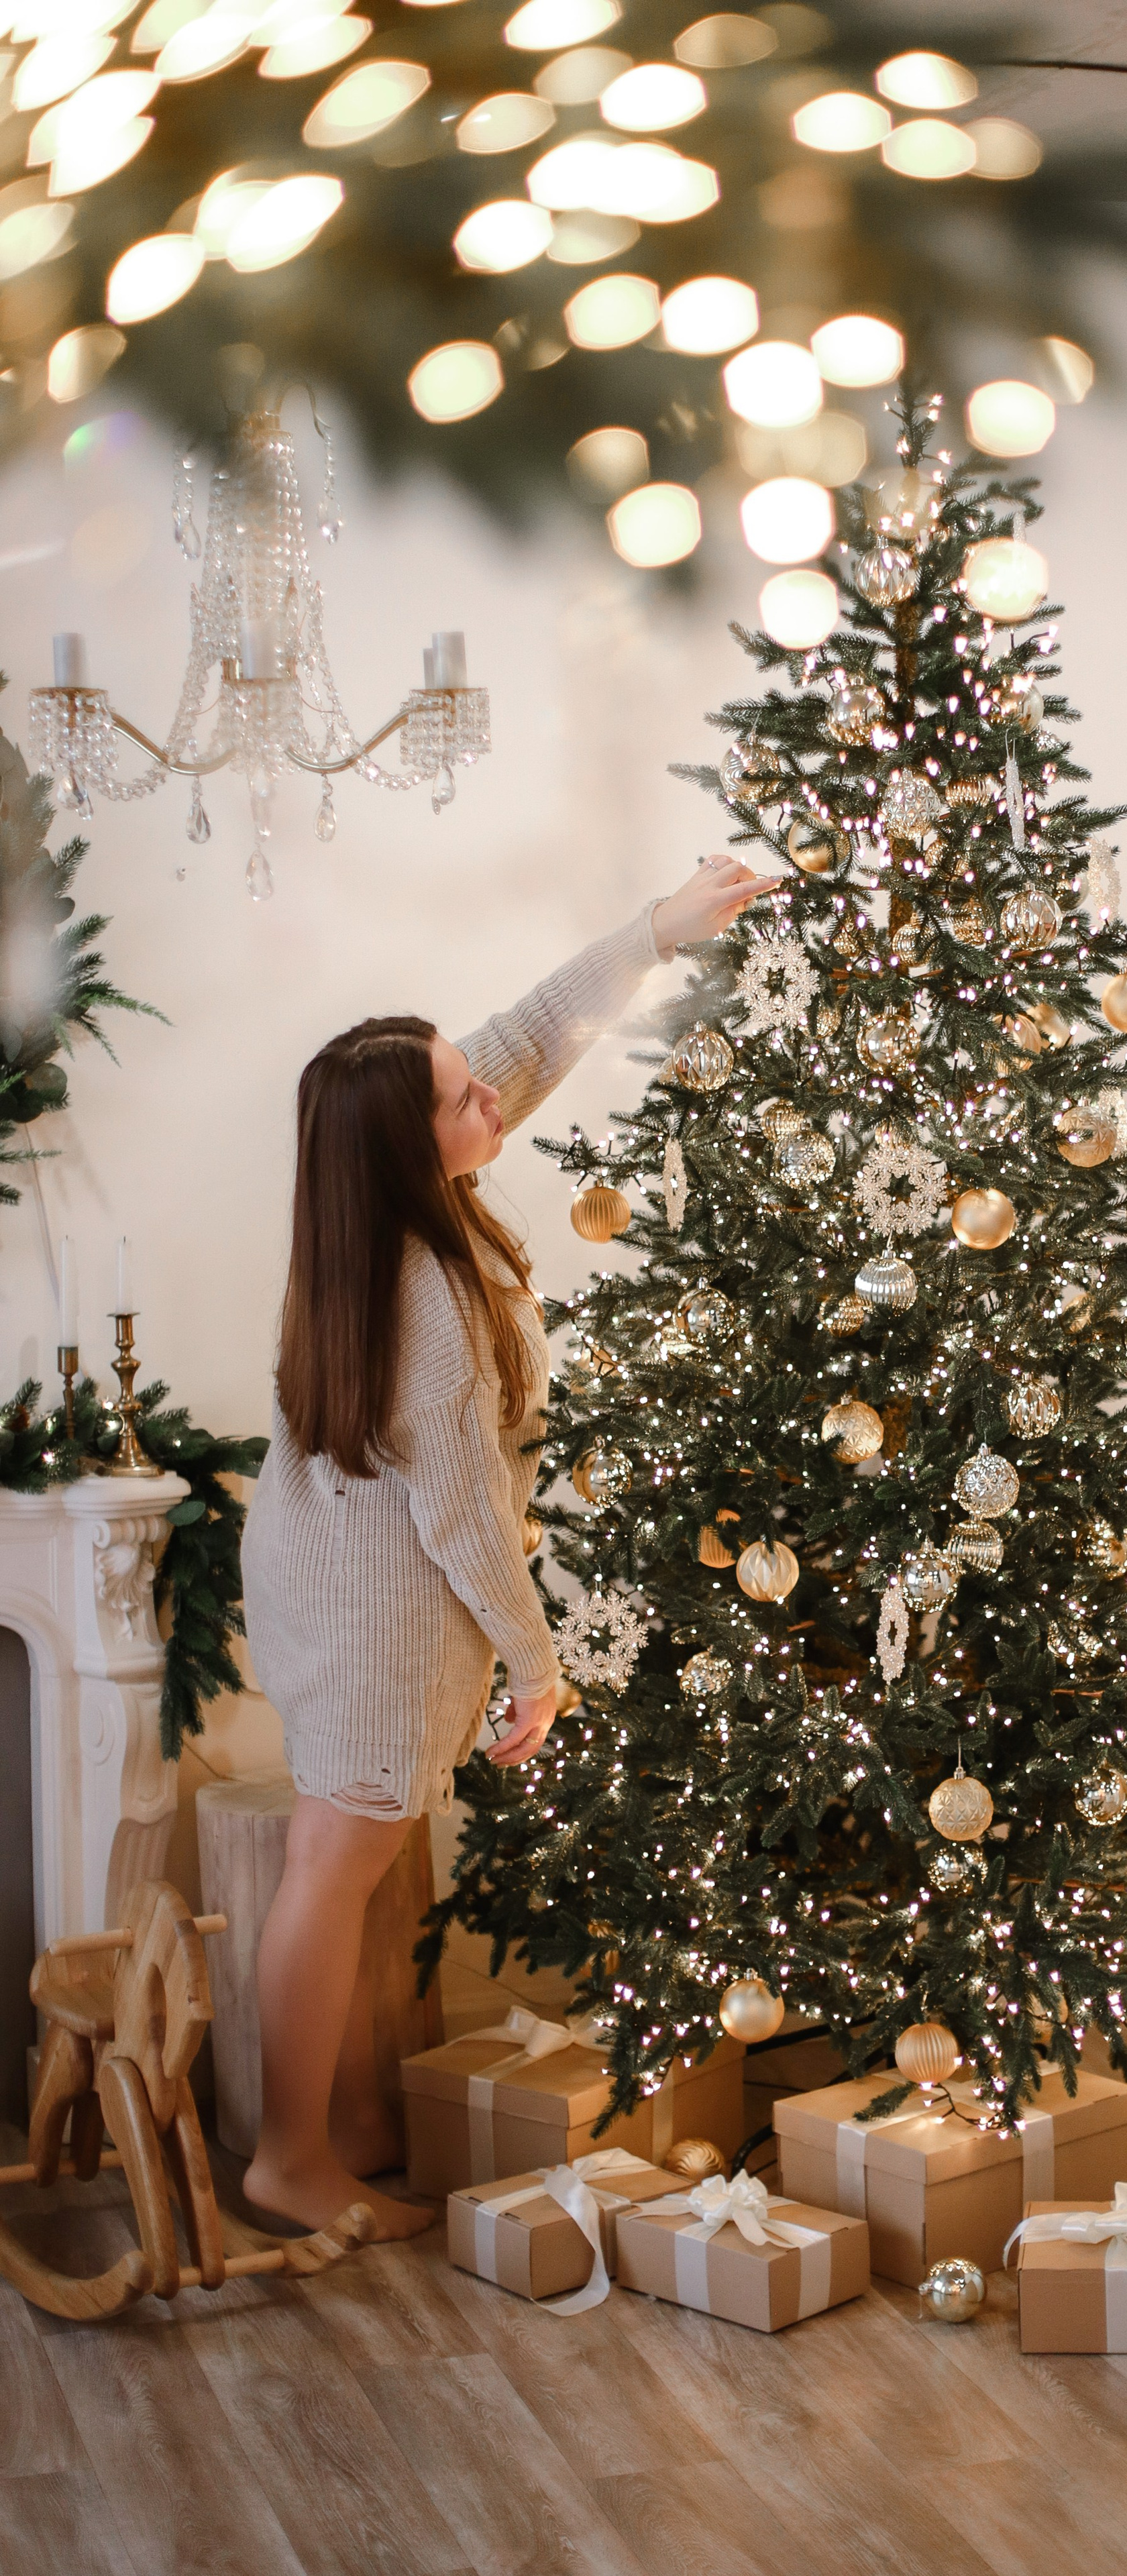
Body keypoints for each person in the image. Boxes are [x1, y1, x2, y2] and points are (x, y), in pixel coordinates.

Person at [239, 855, 765, 2237]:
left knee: (334, 1868)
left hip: (342, 1588)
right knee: (330, 1869)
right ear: (415, 1146)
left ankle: (339, 2131)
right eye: (461, 1095)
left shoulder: (386, 1202)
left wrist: (656, 930)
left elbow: (528, 1038)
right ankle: (290, 2157)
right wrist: (536, 1668)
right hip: (377, 1620)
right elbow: (464, 1510)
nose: (493, 1094)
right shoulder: (416, 1290)